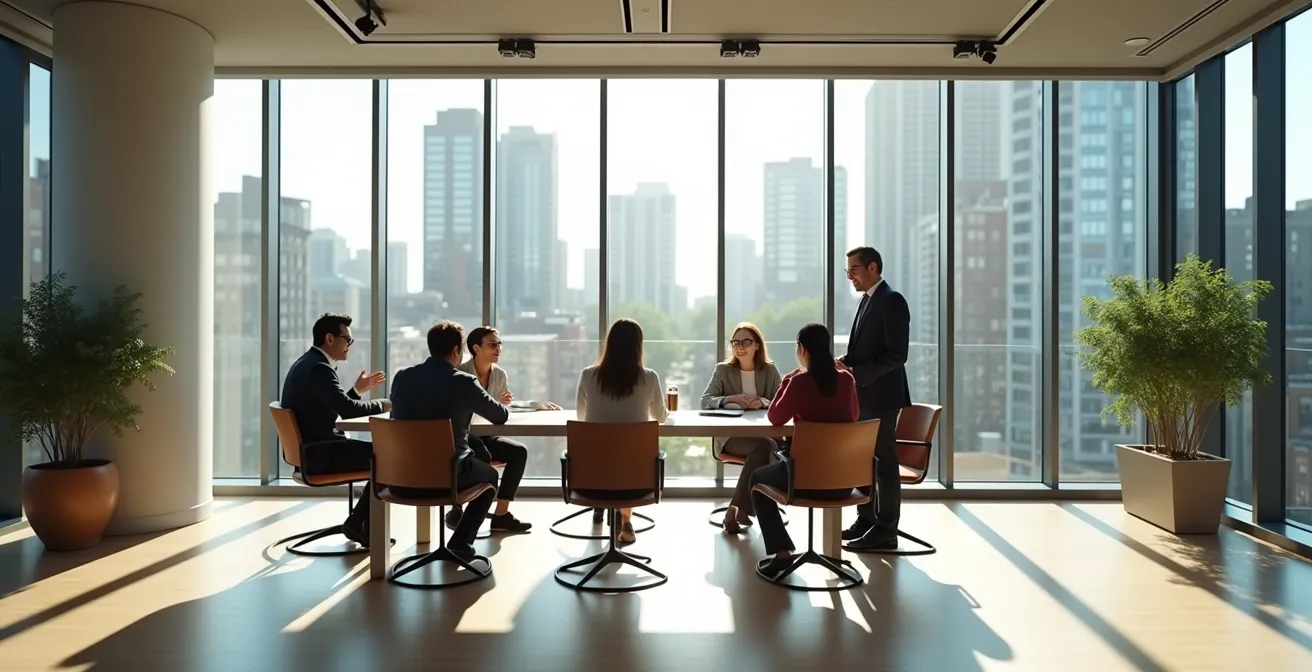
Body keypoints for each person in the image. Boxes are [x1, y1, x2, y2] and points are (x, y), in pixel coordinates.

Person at [388, 321, 507, 557]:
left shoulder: (402, 377)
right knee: (491, 476)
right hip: (449, 475)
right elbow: (499, 415)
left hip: (401, 475)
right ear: (456, 351)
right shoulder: (463, 381)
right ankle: (461, 542)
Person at [750, 323, 859, 577]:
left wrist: (787, 380)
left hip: (803, 479)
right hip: (843, 480)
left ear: (802, 349)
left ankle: (782, 553)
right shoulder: (847, 379)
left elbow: (775, 417)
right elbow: (853, 418)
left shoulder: (799, 382)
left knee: (757, 479)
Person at [280, 313, 389, 547]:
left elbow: (333, 409)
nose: (349, 345)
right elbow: (347, 411)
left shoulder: (307, 363)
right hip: (322, 454)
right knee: (389, 459)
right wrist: (385, 404)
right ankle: (359, 522)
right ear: (330, 338)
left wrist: (357, 391)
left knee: (383, 456)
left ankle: (358, 522)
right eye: (347, 339)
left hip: (310, 451)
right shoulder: (319, 368)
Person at [837, 246, 912, 551]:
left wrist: (858, 372)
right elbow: (865, 349)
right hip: (864, 394)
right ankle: (866, 519)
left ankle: (886, 530)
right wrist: (845, 361)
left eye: (854, 270)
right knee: (864, 459)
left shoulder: (891, 300)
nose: (850, 276)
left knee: (884, 462)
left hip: (882, 396)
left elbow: (897, 355)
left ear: (872, 267)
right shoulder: (867, 301)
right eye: (848, 271)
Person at [574, 318, 669, 545]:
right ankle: (625, 520)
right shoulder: (649, 377)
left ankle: (603, 508)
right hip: (636, 483)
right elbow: (661, 417)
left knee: (608, 457)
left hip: (589, 480)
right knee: (631, 459)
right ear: (638, 345)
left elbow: (580, 417)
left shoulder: (588, 375)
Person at [441, 326, 543, 533]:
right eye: (492, 344)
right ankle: (459, 508)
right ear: (476, 348)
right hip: (464, 437)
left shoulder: (500, 375)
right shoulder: (460, 374)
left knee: (518, 452)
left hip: (487, 435)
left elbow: (501, 409)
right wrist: (495, 405)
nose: (498, 349)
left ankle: (501, 514)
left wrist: (535, 404)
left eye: (500, 344)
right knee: (481, 453)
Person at [700, 322, 783, 532]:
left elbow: (783, 400)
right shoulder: (723, 370)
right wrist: (730, 398)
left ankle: (734, 510)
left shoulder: (770, 370)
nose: (740, 346)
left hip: (765, 437)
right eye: (735, 342)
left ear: (757, 345)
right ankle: (752, 508)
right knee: (767, 448)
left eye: (746, 341)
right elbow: (705, 400)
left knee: (765, 447)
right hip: (732, 438)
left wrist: (763, 402)